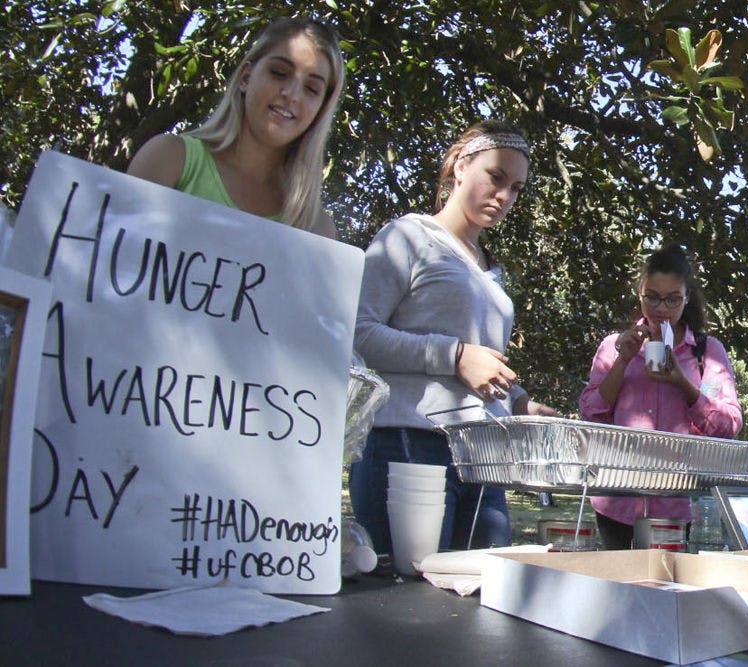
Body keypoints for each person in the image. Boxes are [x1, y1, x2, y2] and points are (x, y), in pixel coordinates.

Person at [350, 120, 556, 556]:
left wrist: (517, 400)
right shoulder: (408, 236)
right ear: (461, 166)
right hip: (410, 444)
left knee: (485, 598)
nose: (504, 197)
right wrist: (455, 356)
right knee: (409, 608)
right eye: (496, 177)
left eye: (516, 188)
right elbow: (358, 331)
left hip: (483, 456)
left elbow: (481, 363)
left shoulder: (492, 271)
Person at [579, 244, 743, 549]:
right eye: (652, 297)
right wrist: (623, 360)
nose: (661, 308)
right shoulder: (614, 346)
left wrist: (684, 385)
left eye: (672, 300)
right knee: (621, 588)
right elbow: (591, 414)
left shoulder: (706, 353)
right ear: (639, 292)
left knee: (668, 589)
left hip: (677, 504)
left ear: (686, 298)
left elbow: (729, 425)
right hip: (617, 500)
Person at [127, 17, 345, 238]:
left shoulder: (317, 229)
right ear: (246, 77)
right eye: (279, 73)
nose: (292, 94)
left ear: (321, 109)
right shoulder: (169, 158)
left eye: (311, 88)